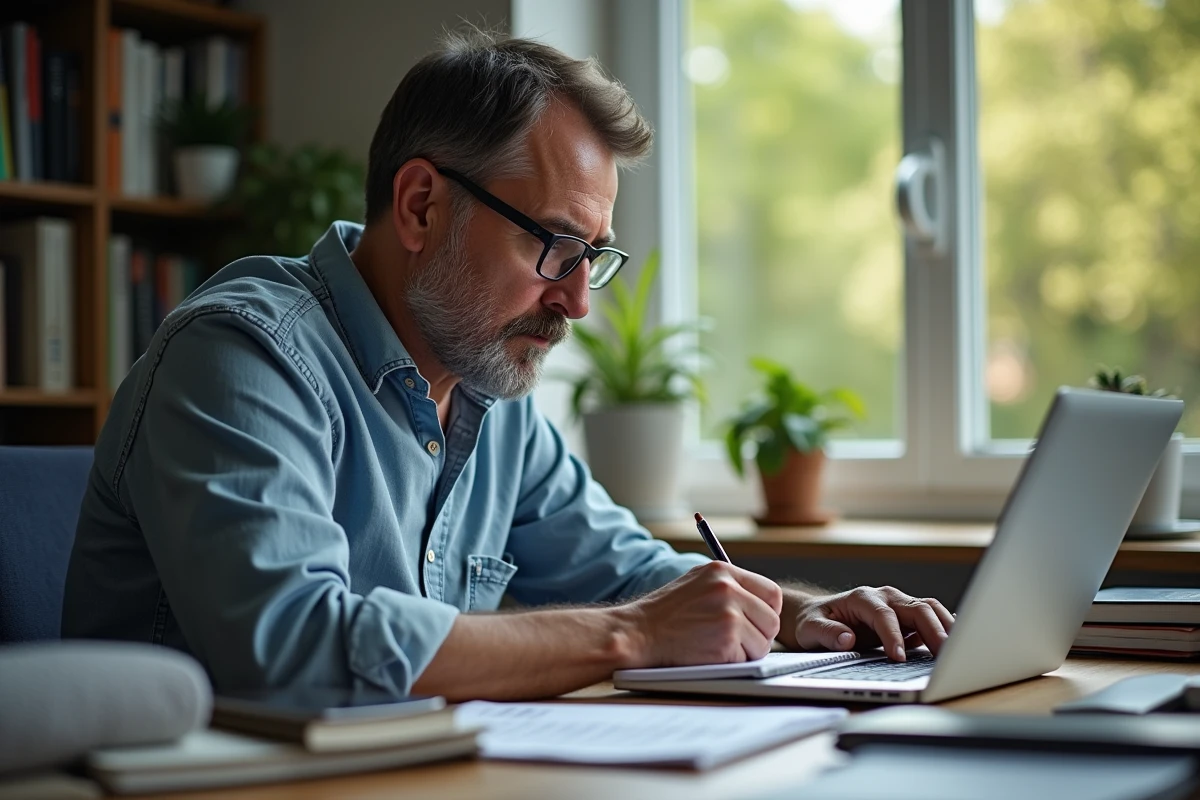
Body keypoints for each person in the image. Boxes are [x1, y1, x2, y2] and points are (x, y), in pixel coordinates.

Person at [62, 30, 954, 701]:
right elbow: (290, 648)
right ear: (420, 206)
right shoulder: (240, 358)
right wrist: (628, 639)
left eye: (593, 256)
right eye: (556, 246)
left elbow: (628, 574)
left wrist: (803, 614)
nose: (577, 302)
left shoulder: (487, 385)